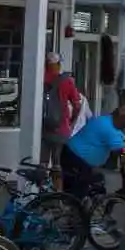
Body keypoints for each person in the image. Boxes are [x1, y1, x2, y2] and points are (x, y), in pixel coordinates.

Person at [62, 104, 125, 198]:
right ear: (119, 118)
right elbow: (123, 151)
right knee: (77, 194)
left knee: (74, 191)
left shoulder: (106, 120)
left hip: (72, 155)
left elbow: (122, 138)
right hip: (76, 159)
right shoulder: (109, 129)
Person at [41, 52, 83, 187]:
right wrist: (71, 121)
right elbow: (77, 105)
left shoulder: (41, 78)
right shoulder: (67, 81)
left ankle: (38, 192)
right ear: (58, 65)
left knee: (42, 163)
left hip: (43, 127)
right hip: (61, 128)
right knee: (58, 164)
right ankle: (58, 194)